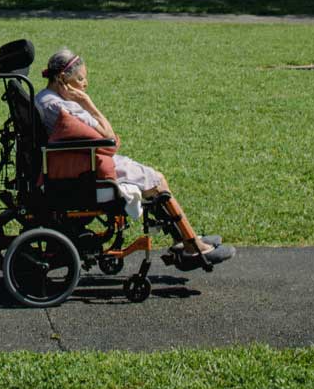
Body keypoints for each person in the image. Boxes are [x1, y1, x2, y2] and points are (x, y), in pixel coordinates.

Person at [34, 47, 235, 270]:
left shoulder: (43, 98)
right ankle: (192, 246)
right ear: (63, 79)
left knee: (154, 179)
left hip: (79, 161)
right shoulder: (62, 106)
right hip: (88, 169)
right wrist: (87, 102)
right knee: (158, 182)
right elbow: (109, 137)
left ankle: (185, 239)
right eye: (81, 79)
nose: (85, 84)